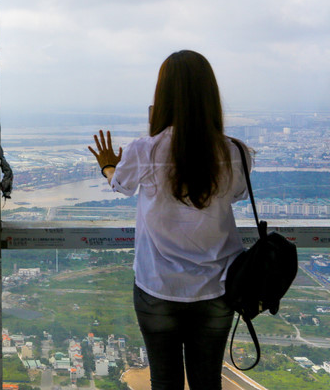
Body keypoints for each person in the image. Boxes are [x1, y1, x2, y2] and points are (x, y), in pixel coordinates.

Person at [88, 50, 251, 390]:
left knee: (164, 380)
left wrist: (107, 165)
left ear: (162, 97)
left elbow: (120, 185)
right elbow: (236, 195)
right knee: (208, 381)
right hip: (217, 286)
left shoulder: (145, 150)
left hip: (157, 285)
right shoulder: (234, 152)